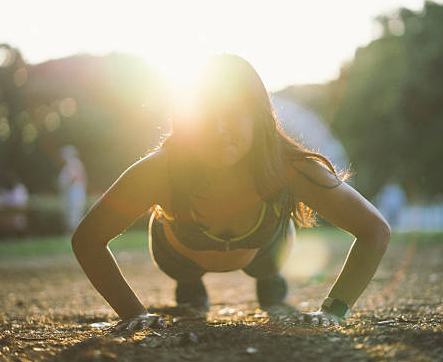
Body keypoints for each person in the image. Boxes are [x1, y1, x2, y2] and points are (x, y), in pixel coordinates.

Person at [72, 54, 391, 331]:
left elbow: (374, 229)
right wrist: (133, 313)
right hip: (179, 255)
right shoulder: (160, 169)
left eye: (234, 113)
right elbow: (87, 239)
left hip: (266, 251)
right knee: (185, 275)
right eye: (208, 115)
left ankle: (269, 279)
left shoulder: (288, 168)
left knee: (267, 268)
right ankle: (190, 284)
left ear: (258, 117)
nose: (221, 129)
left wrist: (335, 310)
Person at [58, 145, 87, 233]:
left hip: (74, 193)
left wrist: (65, 185)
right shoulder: (71, 164)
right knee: (72, 214)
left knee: (74, 213)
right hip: (73, 192)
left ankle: (74, 233)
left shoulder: (73, 163)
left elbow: (73, 178)